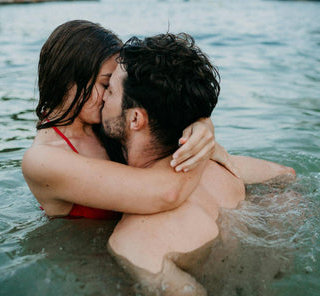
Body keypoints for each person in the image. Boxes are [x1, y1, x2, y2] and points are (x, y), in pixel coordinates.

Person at [103, 33, 296, 294]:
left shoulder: (136, 241)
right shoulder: (223, 167)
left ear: (136, 119)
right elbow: (287, 175)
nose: (102, 97)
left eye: (111, 90)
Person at [22, 20, 223, 220]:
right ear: (66, 80)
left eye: (114, 85)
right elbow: (165, 193)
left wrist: (200, 123)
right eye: (105, 84)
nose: (109, 96)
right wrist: (199, 150)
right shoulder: (43, 160)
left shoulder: (105, 124)